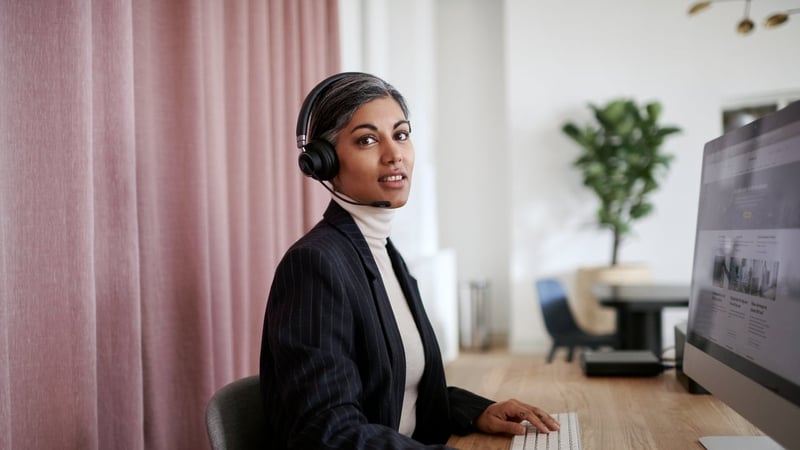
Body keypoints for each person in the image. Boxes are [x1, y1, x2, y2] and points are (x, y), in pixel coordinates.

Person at [259, 72, 559, 449]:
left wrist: (478, 411)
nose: (394, 153)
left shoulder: (382, 251)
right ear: (325, 161)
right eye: (368, 140)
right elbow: (326, 432)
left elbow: (400, 391)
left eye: (400, 135)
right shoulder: (315, 265)